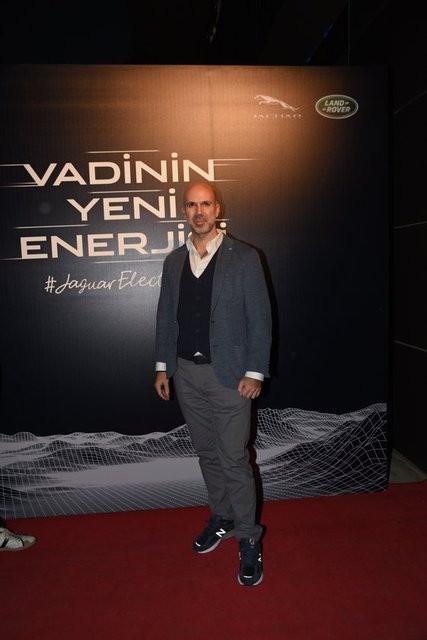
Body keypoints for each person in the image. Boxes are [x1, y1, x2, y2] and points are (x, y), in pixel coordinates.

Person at [154, 180, 272, 586]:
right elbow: (165, 317)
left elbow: (260, 319)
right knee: (207, 453)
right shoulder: (174, 261)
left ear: (217, 208)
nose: (199, 211)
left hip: (231, 376)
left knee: (233, 457)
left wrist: (255, 372)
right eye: (191, 205)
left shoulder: (245, 257)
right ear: (184, 211)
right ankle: (223, 516)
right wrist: (162, 366)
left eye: (205, 204)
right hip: (186, 374)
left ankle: (249, 538)